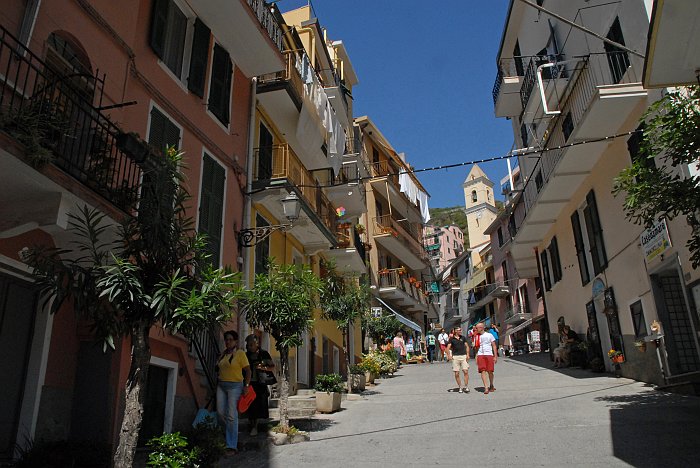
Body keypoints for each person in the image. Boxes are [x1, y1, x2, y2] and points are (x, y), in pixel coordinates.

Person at [217, 330, 251, 455]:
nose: (228, 342)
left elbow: (248, 371)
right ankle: (229, 434)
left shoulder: (240, 353)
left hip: (235, 387)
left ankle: (231, 445)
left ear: (236, 341)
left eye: (231, 339)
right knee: (220, 413)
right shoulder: (223, 354)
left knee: (232, 415)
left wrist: (246, 385)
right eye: (226, 339)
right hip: (221, 385)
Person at [245, 334, 275, 436]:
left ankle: (255, 426)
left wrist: (262, 368)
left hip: (260, 383)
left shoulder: (264, 354)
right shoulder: (246, 355)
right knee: (249, 405)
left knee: (258, 405)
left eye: (251, 345)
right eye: (248, 345)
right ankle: (251, 424)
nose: (249, 347)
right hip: (249, 383)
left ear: (257, 344)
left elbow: (272, 367)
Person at [446, 327, 470, 393]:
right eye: (459, 330)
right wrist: (449, 355)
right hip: (455, 357)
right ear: (455, 331)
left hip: (463, 356)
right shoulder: (451, 339)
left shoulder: (463, 338)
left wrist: (467, 354)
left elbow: (467, 346)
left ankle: (466, 386)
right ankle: (460, 387)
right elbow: (447, 348)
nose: (460, 331)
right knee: (457, 373)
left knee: (465, 371)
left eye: (460, 330)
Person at [475, 322, 497, 394]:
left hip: (489, 354)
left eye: (477, 328)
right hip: (481, 354)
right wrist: (476, 356)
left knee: (490, 371)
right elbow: (476, 347)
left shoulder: (489, 335)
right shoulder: (477, 336)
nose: (476, 329)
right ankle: (486, 387)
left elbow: (494, 345)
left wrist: (495, 356)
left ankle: (491, 384)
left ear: (481, 328)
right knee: (482, 370)